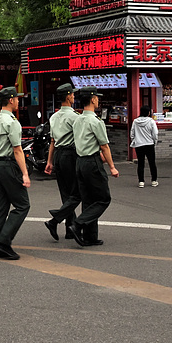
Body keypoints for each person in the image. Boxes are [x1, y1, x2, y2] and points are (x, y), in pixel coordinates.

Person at [69, 86, 119, 247]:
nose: (98, 100)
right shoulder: (95, 121)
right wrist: (112, 166)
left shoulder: (78, 119)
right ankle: (79, 224)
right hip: (92, 162)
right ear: (92, 99)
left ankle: (90, 236)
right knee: (103, 198)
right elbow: (104, 146)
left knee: (88, 200)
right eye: (97, 97)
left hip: (80, 162)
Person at [0, 86, 30, 260]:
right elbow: (18, 150)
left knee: (2, 206)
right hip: (7, 165)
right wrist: (25, 174)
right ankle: (3, 242)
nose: (18, 101)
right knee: (22, 205)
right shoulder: (12, 122)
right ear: (12, 100)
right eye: (17, 98)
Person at [44, 83, 81, 241]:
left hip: (58, 154)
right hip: (70, 154)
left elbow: (52, 141)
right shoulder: (75, 117)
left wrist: (49, 161)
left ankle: (69, 228)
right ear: (68, 96)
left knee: (65, 193)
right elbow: (80, 140)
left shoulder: (54, 116)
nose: (74, 96)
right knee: (77, 192)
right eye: (72, 94)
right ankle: (56, 220)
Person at [130, 105, 159, 188]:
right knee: (152, 163)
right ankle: (154, 180)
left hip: (139, 144)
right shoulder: (151, 121)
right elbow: (155, 133)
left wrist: (134, 140)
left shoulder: (135, 121)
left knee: (140, 163)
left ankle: (141, 181)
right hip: (149, 144)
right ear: (149, 112)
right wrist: (155, 141)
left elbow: (132, 133)